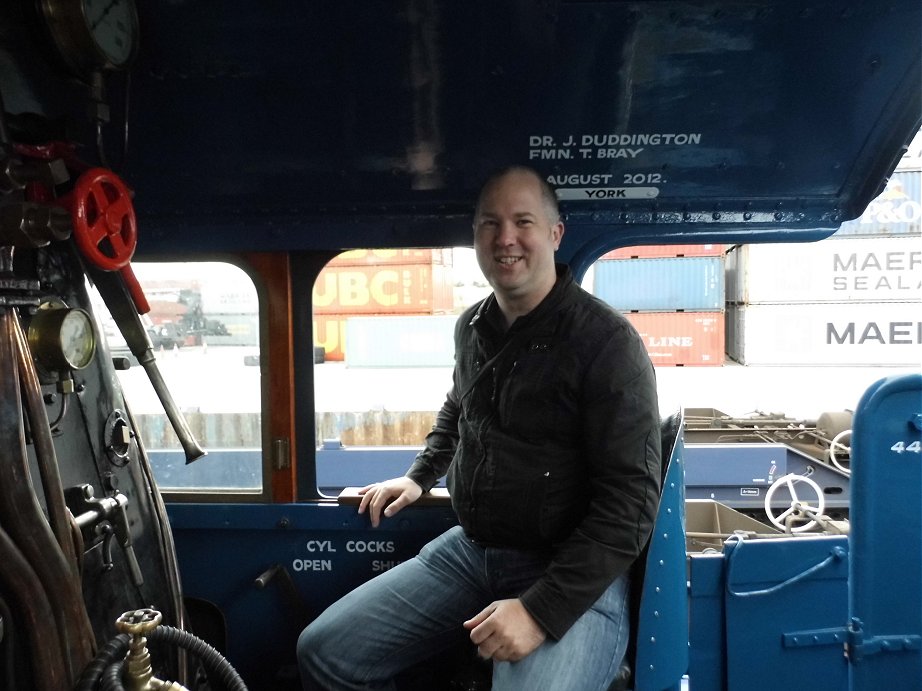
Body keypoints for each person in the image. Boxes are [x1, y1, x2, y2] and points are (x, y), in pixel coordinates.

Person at [298, 165, 662, 690]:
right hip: (473, 550)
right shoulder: (472, 325)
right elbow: (459, 407)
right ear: (474, 237)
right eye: (490, 224)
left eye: (523, 222)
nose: (505, 238)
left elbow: (630, 503)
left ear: (555, 235)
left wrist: (540, 612)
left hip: (570, 569)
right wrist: (420, 475)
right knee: (327, 653)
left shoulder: (606, 343)